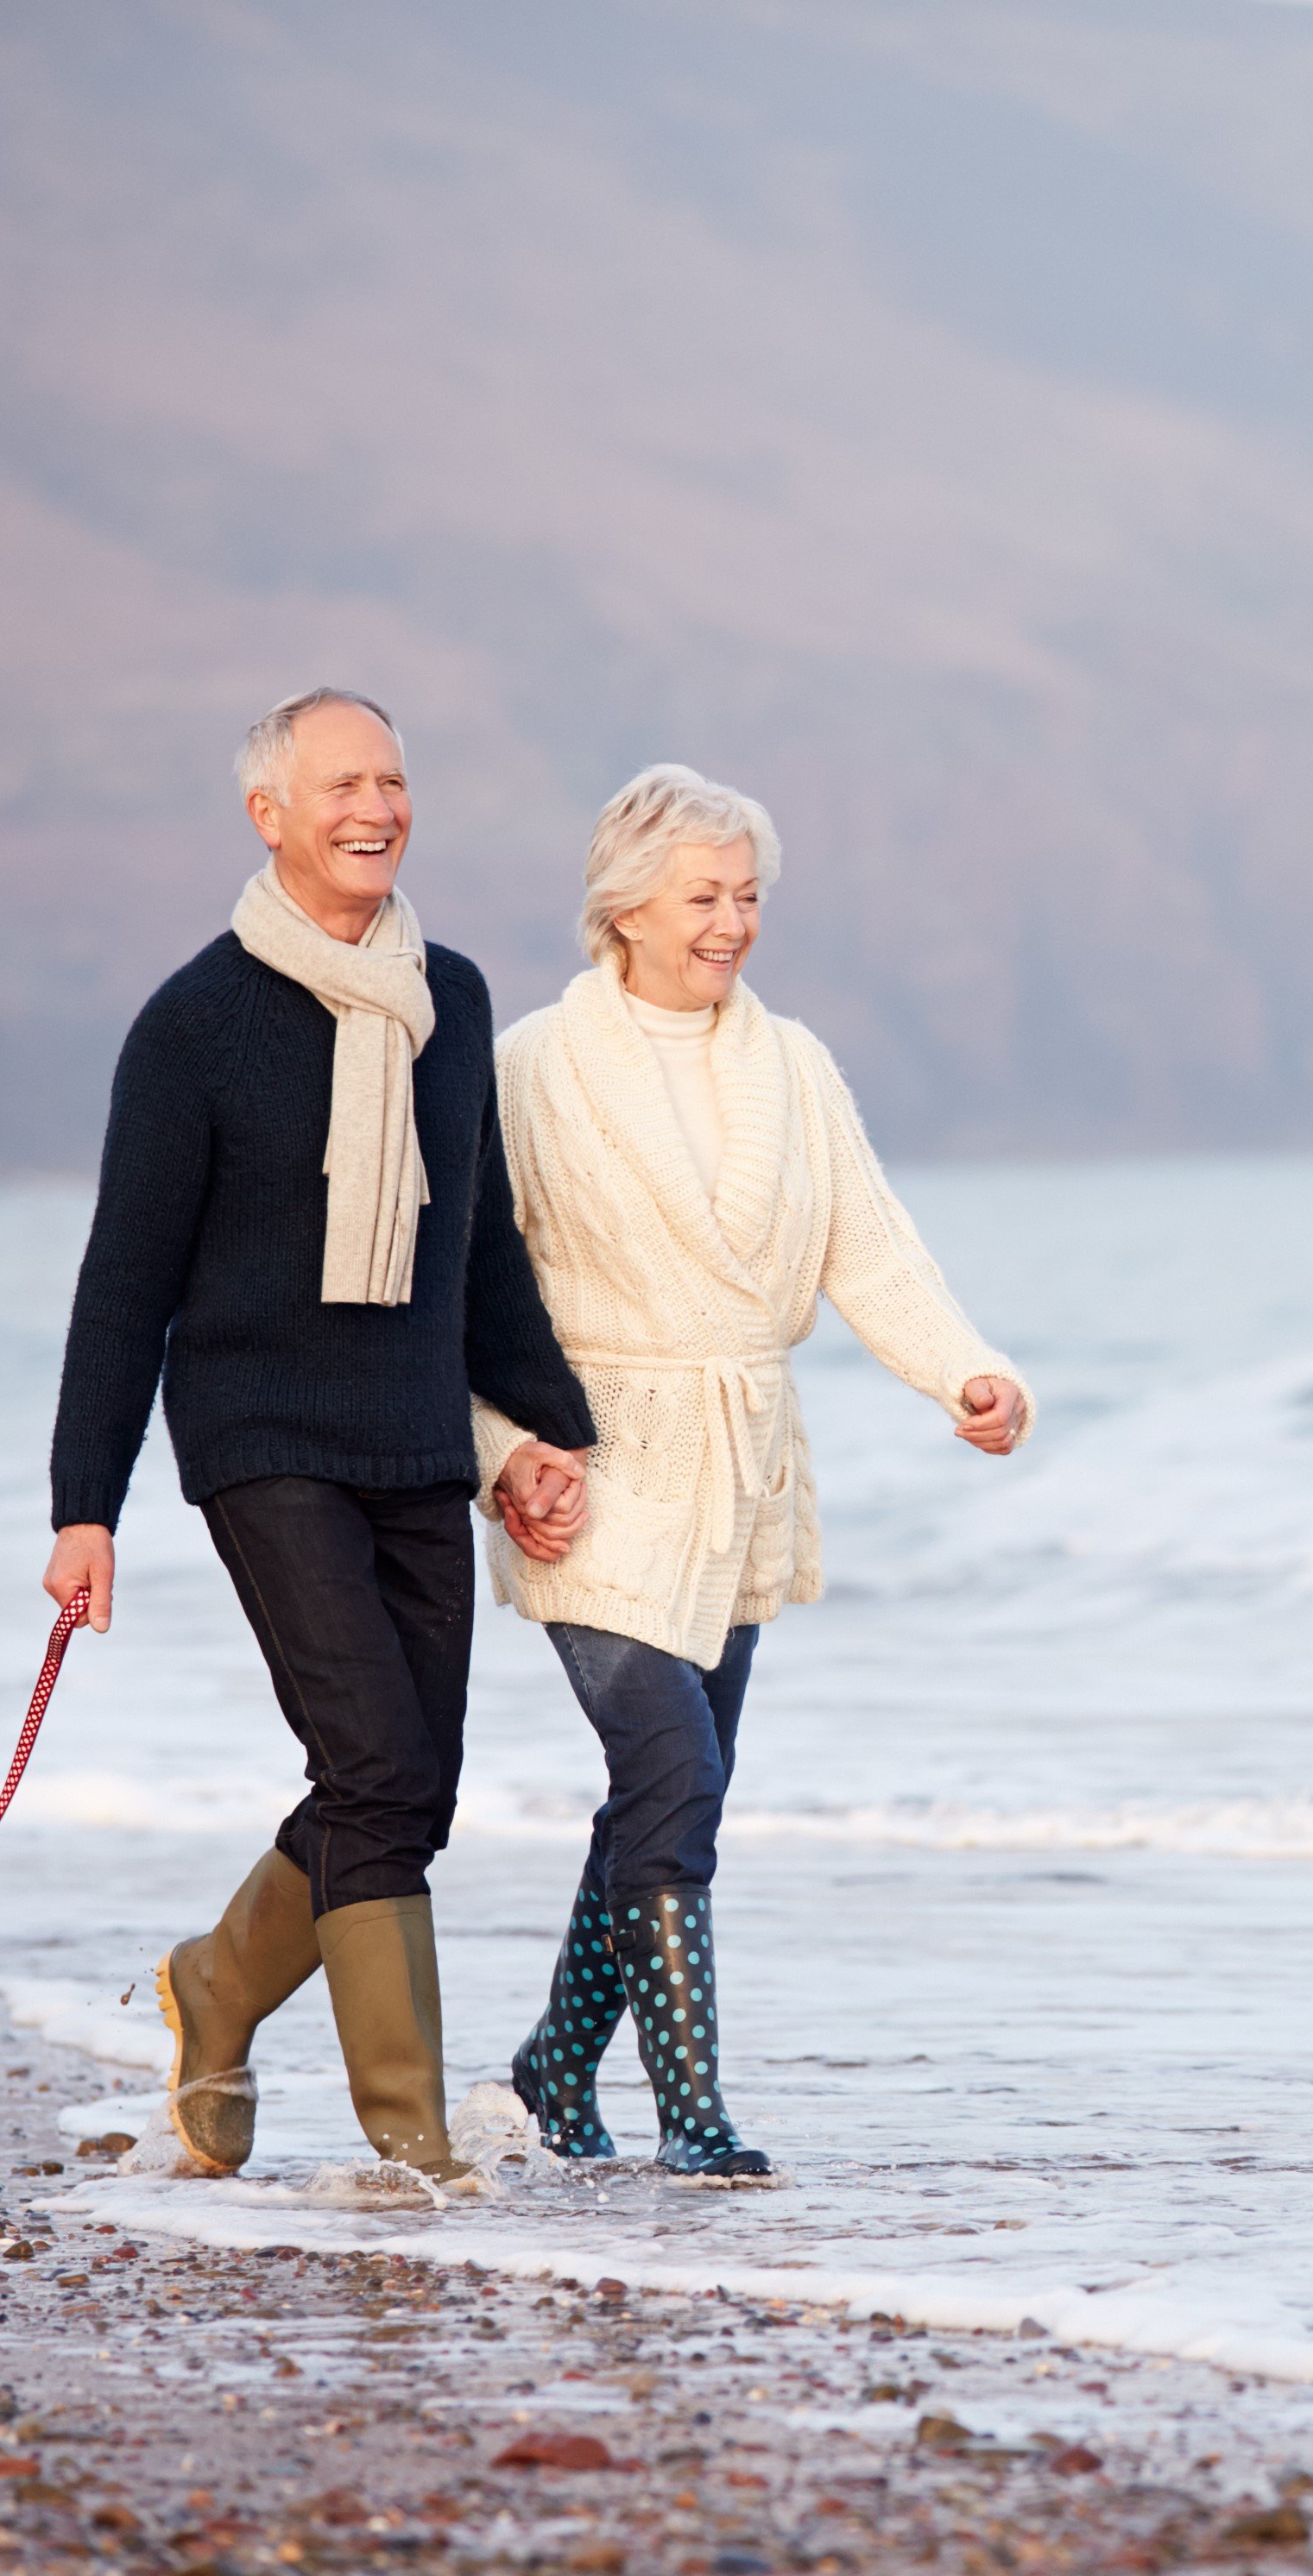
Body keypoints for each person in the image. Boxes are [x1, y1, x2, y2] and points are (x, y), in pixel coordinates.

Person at [42, 687, 598, 2186]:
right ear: (268, 813)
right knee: (372, 1756)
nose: (377, 806)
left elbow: (478, 1252)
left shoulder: (454, 999)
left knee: (408, 1784)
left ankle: (215, 1985)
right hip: (261, 1436)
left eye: (396, 780)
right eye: (343, 781)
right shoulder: (195, 1024)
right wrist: (83, 1504)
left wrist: (554, 1433)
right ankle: (412, 2138)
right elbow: (125, 1279)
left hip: (414, 1436)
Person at [476, 763, 1030, 2182]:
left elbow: (871, 1243)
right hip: (589, 1462)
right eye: (706, 895)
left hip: (743, 1463)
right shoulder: (537, 1062)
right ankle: (694, 2112)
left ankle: (548, 2072)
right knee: (672, 1764)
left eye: (749, 896)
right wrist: (502, 1451)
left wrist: (965, 1370)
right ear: (627, 905)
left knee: (675, 1789)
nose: (734, 923)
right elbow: (476, 1282)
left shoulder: (793, 1065)